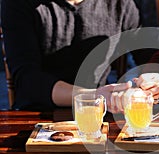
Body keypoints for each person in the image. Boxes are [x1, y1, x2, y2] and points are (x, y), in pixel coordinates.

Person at [1, 0, 141, 111]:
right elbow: (27, 80)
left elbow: (147, 52)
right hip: (37, 114)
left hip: (97, 115)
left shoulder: (120, 3)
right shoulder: (19, 3)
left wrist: (155, 81)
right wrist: (92, 96)